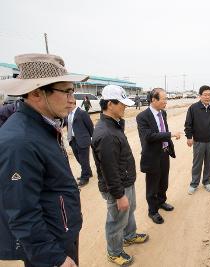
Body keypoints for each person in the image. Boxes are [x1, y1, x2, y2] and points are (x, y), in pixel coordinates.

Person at [0, 53, 88, 267]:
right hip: (51, 245)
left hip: (60, 230)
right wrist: (54, 258)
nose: (72, 100)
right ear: (37, 93)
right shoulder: (20, 141)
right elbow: (22, 212)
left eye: (72, 91)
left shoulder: (44, 125)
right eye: (66, 92)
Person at [91, 85, 148, 266]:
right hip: (118, 187)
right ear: (110, 104)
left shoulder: (114, 124)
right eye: (122, 103)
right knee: (116, 220)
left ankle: (129, 236)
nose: (126, 107)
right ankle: (114, 251)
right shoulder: (106, 133)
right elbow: (109, 169)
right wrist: (119, 195)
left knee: (129, 210)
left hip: (125, 181)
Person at [136, 88, 181, 224]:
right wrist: (170, 134)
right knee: (152, 186)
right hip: (152, 156)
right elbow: (148, 136)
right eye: (163, 99)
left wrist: (167, 140)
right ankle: (153, 211)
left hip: (164, 152)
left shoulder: (163, 113)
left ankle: (161, 202)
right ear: (154, 100)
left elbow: (162, 129)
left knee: (163, 181)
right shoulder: (142, 117)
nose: (166, 101)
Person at [66, 99, 94, 187]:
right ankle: (88, 172)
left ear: (72, 103)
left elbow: (90, 126)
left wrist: (92, 138)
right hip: (73, 140)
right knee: (79, 159)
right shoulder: (67, 114)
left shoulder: (82, 113)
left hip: (83, 140)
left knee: (83, 160)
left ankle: (85, 177)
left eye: (67, 104)